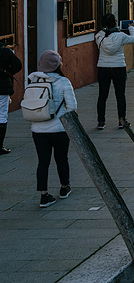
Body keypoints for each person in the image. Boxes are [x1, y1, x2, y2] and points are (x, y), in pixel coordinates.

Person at [28, 49, 77, 208]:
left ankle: (43, 195)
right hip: (59, 129)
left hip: (38, 129)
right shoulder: (63, 82)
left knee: (43, 162)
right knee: (61, 158)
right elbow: (72, 107)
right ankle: (64, 188)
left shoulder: (33, 80)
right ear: (57, 65)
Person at [95, 13, 134, 130]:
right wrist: (131, 27)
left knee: (102, 96)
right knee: (120, 95)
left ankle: (101, 121)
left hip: (103, 68)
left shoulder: (99, 36)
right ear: (114, 23)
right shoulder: (121, 36)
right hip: (118, 67)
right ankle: (121, 120)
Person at [0, 45, 21, 154]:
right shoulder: (6, 52)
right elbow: (18, 65)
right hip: (2, 87)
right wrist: (7, 72)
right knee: (2, 115)